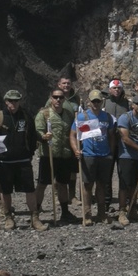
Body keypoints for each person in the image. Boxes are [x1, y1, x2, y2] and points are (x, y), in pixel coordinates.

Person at [0, 90, 47, 231]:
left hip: (23, 161)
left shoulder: (26, 116)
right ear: (6, 101)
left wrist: (30, 153)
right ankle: (8, 217)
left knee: (30, 190)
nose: (13, 103)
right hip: (4, 163)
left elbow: (32, 136)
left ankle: (34, 218)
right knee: (6, 191)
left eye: (16, 100)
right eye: (10, 100)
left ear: (20, 101)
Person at [70, 90, 117, 225]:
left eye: (98, 101)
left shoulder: (107, 117)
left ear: (101, 101)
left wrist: (111, 152)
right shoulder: (81, 117)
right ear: (89, 102)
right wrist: (75, 149)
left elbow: (111, 135)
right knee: (88, 185)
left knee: (102, 185)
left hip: (104, 155)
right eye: (93, 101)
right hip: (89, 155)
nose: (96, 103)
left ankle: (101, 214)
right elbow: (72, 135)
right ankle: (87, 214)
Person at [35, 88, 79, 223]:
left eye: (60, 97)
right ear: (51, 98)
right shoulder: (44, 114)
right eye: (55, 97)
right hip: (48, 155)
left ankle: (65, 212)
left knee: (62, 184)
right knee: (42, 184)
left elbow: (73, 132)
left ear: (64, 99)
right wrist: (43, 136)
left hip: (64, 155)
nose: (58, 100)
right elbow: (37, 132)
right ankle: (35, 213)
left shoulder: (68, 115)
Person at [115, 94, 138, 226]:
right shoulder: (125, 118)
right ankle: (122, 211)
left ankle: (132, 209)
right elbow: (125, 138)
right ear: (133, 105)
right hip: (126, 156)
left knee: (136, 185)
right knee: (125, 185)